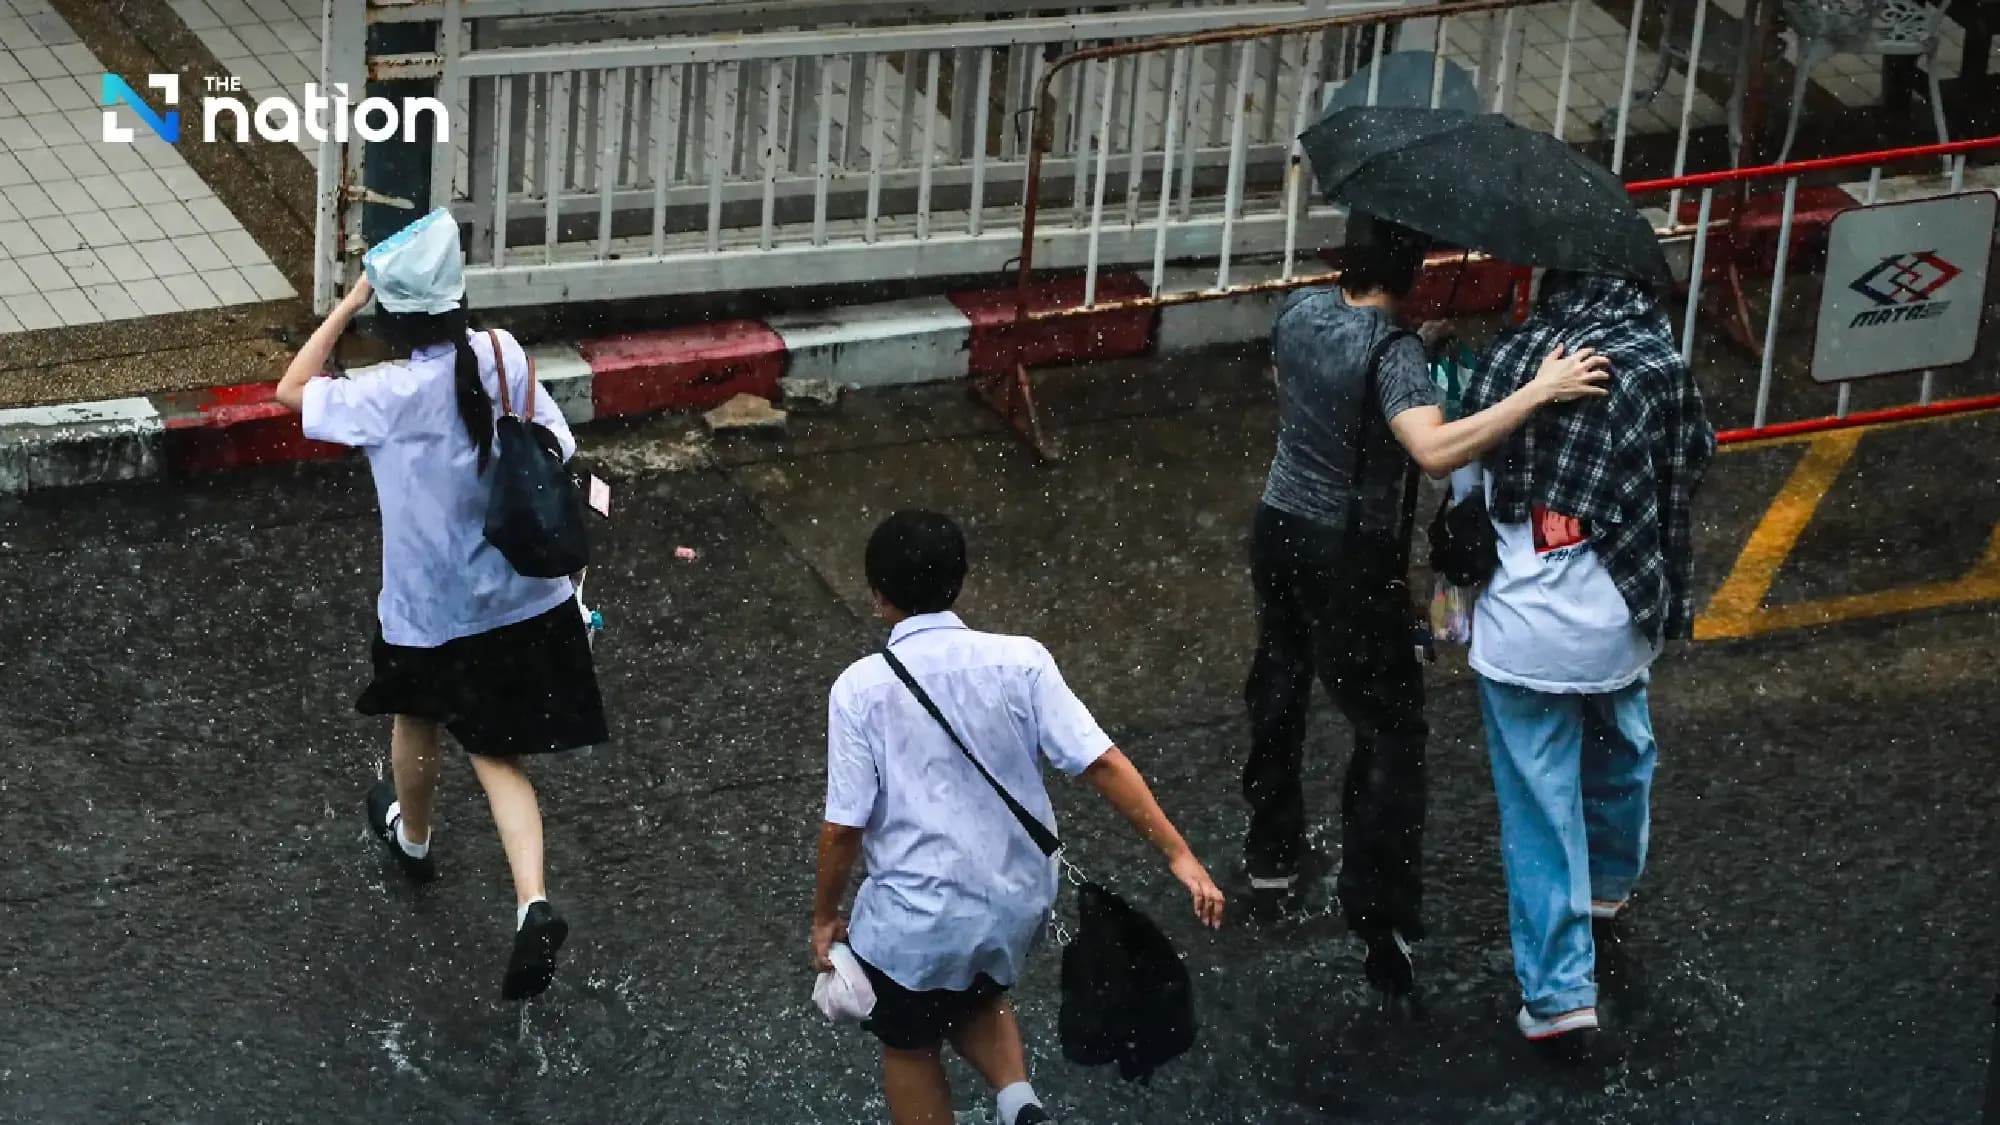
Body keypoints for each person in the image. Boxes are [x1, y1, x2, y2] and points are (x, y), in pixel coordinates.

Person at [1242, 220, 1613, 1005]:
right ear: (1410, 274)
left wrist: (1403, 350)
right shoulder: (1396, 355)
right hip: (1349, 554)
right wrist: (1536, 390)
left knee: (1280, 675)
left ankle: (1269, 850)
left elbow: (1307, 389)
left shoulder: (1301, 312)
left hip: (1277, 527)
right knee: (1390, 729)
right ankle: (1382, 920)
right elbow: (1435, 450)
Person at [275, 210, 608, 1002]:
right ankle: (532, 900)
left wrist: (348, 302)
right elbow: (557, 446)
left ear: (395, 319)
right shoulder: (503, 354)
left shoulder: (385, 394)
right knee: (498, 755)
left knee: (416, 715)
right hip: (522, 599)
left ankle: (414, 838)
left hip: (429, 612)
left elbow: (291, 389)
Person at [814, 511, 1226, 1125]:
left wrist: (824, 916)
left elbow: (844, 826)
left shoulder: (860, 689)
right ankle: (1019, 1104)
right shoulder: (1021, 661)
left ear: (878, 594)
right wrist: (1178, 853)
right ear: (960, 580)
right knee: (978, 988)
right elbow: (1103, 764)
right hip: (1014, 901)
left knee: (909, 1040)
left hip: (917, 916)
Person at [1457, 269, 1714, 1058]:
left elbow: (1464, 487)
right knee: (1622, 752)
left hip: (1519, 630)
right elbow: (1691, 464)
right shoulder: (1656, 371)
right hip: (1615, 623)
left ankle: (1560, 994)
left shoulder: (1506, 368)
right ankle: (1606, 886)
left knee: (1540, 809)